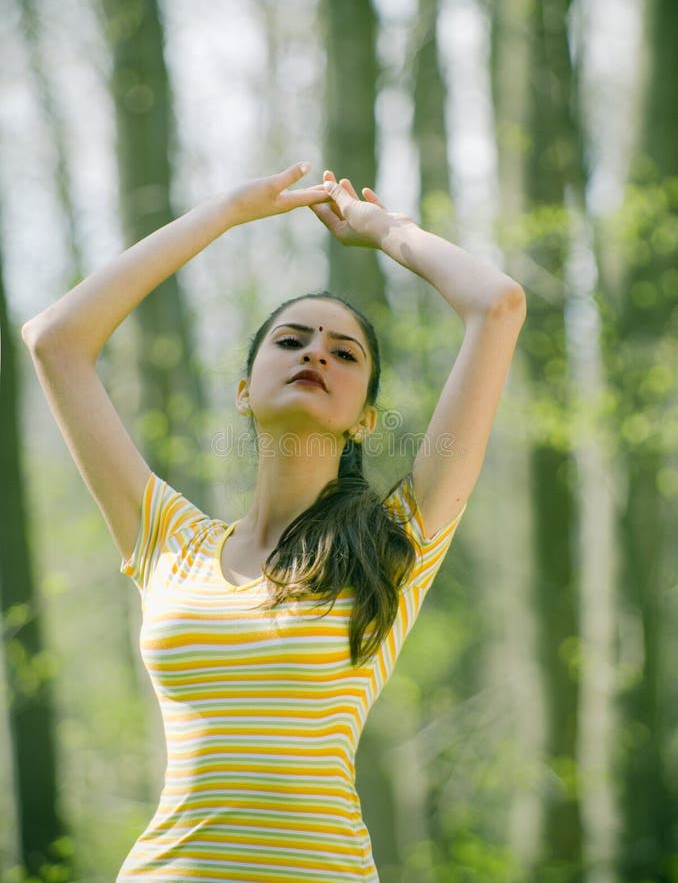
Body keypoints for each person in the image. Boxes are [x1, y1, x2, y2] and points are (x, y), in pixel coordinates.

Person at [22, 162, 526, 881]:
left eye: (343, 352)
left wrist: (384, 230)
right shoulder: (168, 538)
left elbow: (499, 304)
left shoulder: (394, 543)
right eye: (290, 341)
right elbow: (54, 341)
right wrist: (227, 211)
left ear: (365, 422)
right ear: (242, 391)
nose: (316, 351)